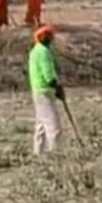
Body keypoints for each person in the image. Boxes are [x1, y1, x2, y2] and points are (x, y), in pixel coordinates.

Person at [27, 25, 64, 156]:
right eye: (49, 36)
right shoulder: (43, 52)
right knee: (54, 127)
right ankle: (56, 155)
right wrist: (57, 86)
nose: (51, 38)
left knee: (41, 125)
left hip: (37, 90)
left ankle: (38, 153)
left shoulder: (35, 51)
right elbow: (48, 75)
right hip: (45, 91)